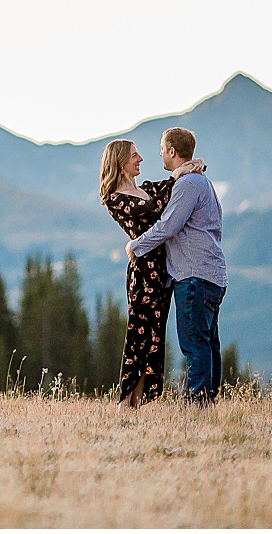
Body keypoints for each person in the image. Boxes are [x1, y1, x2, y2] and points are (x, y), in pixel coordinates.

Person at [127, 127, 229, 403]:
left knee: (194, 344)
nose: (159, 153)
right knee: (208, 342)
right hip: (211, 275)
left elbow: (168, 226)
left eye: (162, 149)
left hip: (194, 276)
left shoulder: (187, 185)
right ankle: (207, 400)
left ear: (172, 151)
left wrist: (136, 246)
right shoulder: (201, 181)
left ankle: (197, 403)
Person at [99, 139, 203, 407]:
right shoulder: (116, 199)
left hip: (163, 273)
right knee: (138, 338)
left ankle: (137, 402)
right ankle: (125, 403)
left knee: (154, 339)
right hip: (144, 276)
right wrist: (181, 173)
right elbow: (154, 207)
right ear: (121, 163)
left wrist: (188, 168)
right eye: (134, 155)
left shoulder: (146, 189)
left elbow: (170, 190)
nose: (141, 159)